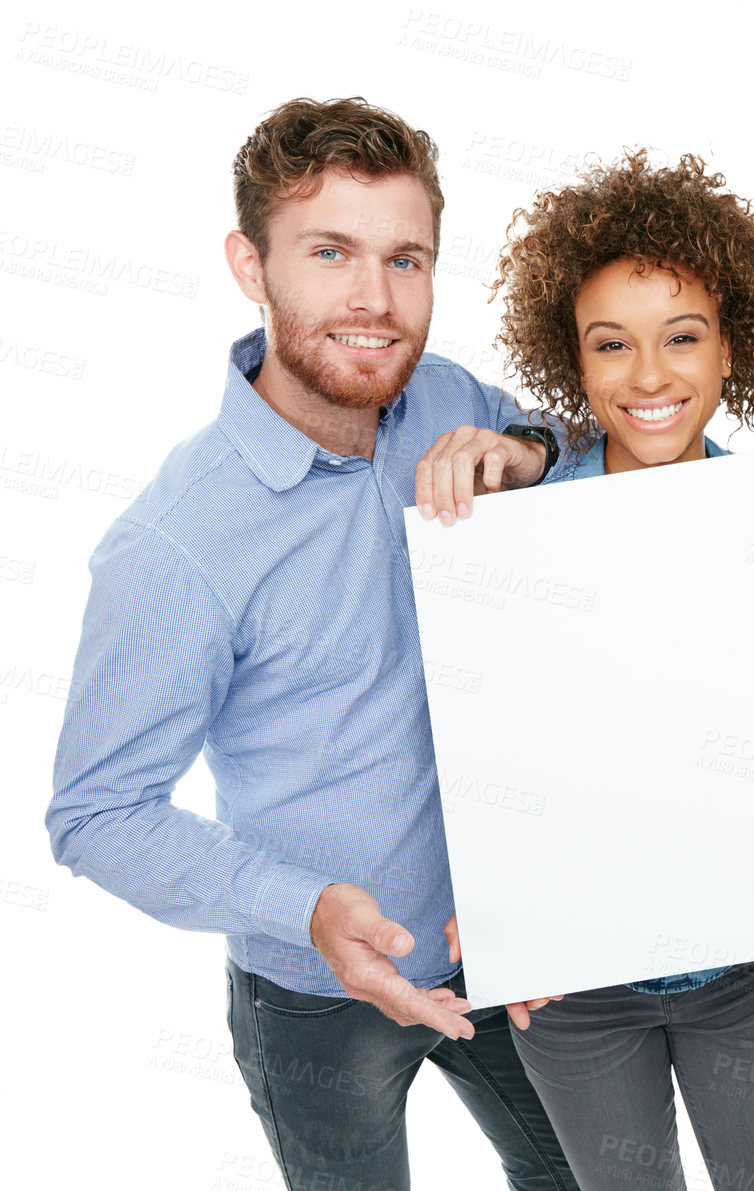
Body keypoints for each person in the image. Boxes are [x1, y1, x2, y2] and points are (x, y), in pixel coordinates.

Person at [47, 97, 579, 1191]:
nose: (375, 301)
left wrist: (530, 449)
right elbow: (95, 815)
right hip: (314, 992)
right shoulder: (173, 542)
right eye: (329, 252)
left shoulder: (447, 400)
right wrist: (306, 908)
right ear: (250, 263)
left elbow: (576, 457)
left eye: (406, 258)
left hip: (508, 945)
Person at [421, 150, 754, 1191]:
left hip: (741, 975)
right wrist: (490, 891)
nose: (648, 377)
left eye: (680, 338)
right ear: (573, 358)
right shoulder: (512, 535)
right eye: (612, 345)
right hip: (573, 991)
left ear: (733, 345)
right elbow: (485, 746)